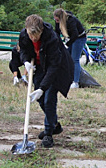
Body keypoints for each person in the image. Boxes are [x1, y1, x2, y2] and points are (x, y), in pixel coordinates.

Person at [19, 14, 73, 148]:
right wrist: (25, 61)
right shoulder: (24, 35)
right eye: (30, 35)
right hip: (39, 68)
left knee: (49, 98)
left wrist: (43, 88)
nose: (33, 38)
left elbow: (54, 65)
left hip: (56, 68)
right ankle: (54, 125)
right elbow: (23, 50)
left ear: (41, 30)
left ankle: (48, 134)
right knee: (40, 99)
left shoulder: (51, 38)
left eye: (35, 36)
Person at [53, 8, 87, 89]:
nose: (56, 21)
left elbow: (75, 35)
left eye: (57, 20)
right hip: (70, 38)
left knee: (74, 59)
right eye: (55, 20)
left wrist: (67, 44)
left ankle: (76, 82)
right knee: (65, 57)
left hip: (79, 38)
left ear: (61, 18)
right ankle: (66, 78)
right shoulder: (58, 22)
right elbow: (57, 33)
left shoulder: (71, 20)